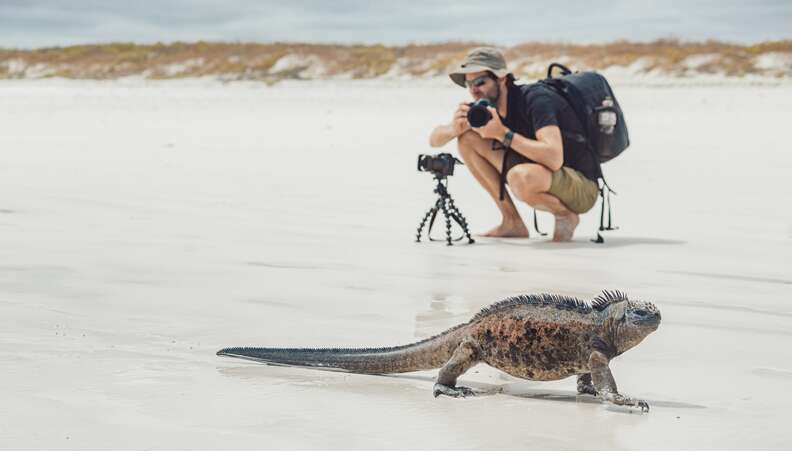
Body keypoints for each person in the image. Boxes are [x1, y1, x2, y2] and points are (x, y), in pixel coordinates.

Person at [428, 47, 600, 241]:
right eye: (469, 84)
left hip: (581, 185)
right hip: (540, 173)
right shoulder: (485, 109)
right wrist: (453, 129)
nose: (474, 91)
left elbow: (553, 157)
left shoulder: (536, 100)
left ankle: (565, 216)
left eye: (480, 82)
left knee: (520, 177)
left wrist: (503, 134)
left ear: (501, 78)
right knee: (468, 140)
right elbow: (434, 140)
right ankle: (512, 221)